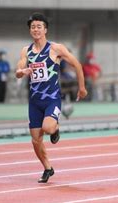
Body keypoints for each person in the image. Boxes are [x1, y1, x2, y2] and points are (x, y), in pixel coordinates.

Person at [15, 13, 87, 183]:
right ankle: (48, 168)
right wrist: (21, 72)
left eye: (39, 26)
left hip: (52, 99)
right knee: (35, 140)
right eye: (33, 27)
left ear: (45, 29)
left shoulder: (56, 48)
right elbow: (18, 70)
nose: (36, 30)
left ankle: (55, 128)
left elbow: (77, 64)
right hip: (34, 102)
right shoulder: (26, 51)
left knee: (47, 128)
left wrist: (82, 88)